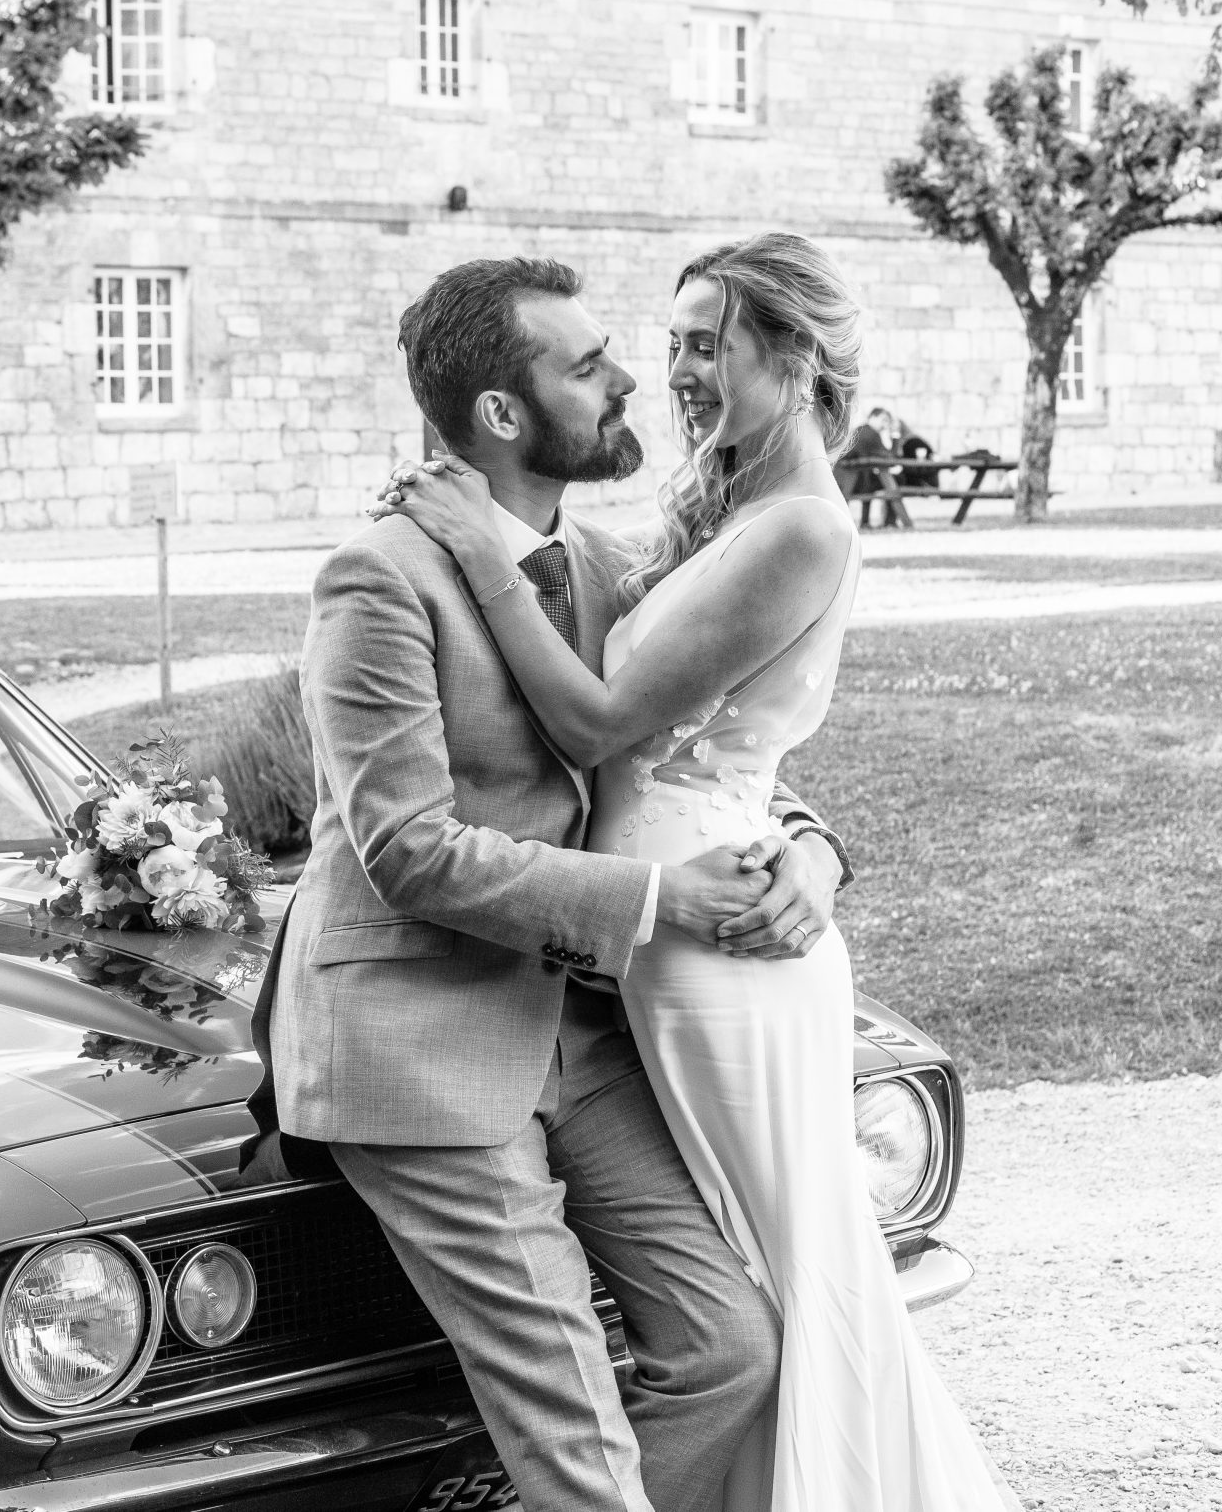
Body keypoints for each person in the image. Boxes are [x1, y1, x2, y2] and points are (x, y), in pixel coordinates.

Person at [378, 233, 1015, 1511]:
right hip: (641, 953)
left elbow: (610, 732)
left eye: (701, 343)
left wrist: (812, 856)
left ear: (794, 356)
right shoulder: (703, 523)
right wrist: (809, 846)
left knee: (794, 1273)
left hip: (717, 956)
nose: (665, 371)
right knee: (763, 1279)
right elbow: (695, 747)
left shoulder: (798, 530)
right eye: (664, 342)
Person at [268, 255, 854, 1512]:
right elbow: (407, 851)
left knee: (731, 1350)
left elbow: (680, 755)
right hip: (417, 1040)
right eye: (587, 367)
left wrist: (813, 851)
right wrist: (660, 902)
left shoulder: (596, 568)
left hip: (577, 1034)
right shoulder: (378, 578)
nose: (632, 378)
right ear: (501, 412)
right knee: (575, 1428)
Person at [837, 406, 908, 528]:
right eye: (883, 420)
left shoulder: (862, 430)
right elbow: (891, 458)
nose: (885, 425)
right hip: (851, 482)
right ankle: (890, 522)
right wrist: (895, 435)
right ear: (873, 417)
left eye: (887, 421)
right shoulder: (869, 434)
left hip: (847, 479)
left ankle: (866, 522)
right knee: (897, 480)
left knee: (874, 477)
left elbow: (886, 457)